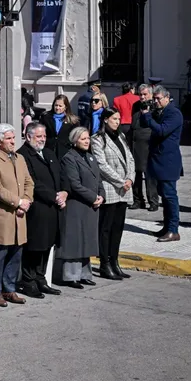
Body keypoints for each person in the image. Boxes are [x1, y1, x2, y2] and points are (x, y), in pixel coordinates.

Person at [0, 123, 33, 307]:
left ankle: (9, 288)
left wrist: (26, 201)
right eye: (9, 139)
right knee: (0, 254)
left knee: (16, 254)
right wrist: (18, 202)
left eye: (14, 138)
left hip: (20, 215)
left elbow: (29, 182)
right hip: (3, 215)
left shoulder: (19, 158)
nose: (13, 142)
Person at [17, 122, 65, 298]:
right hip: (37, 207)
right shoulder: (23, 155)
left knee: (47, 244)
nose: (42, 139)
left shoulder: (49, 153)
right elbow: (32, 182)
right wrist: (54, 196)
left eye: (44, 136)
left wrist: (64, 192)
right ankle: (28, 281)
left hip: (53, 208)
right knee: (35, 245)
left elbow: (61, 175)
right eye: (39, 136)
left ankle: (40, 277)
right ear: (28, 136)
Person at [92, 108, 135, 280]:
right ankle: (105, 263)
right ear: (105, 119)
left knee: (118, 228)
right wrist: (120, 181)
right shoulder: (98, 139)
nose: (117, 122)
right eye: (114, 119)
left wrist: (130, 178)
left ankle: (114, 261)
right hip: (110, 187)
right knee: (106, 228)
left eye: (118, 119)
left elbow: (130, 159)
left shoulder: (121, 136)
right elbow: (102, 165)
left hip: (124, 189)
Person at [59, 127, 104, 287]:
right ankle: (71, 276)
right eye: (83, 139)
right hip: (77, 205)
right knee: (75, 241)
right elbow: (74, 184)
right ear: (75, 140)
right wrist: (93, 197)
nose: (87, 141)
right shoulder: (69, 158)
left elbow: (98, 179)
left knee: (87, 240)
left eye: (88, 138)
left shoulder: (91, 157)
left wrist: (101, 195)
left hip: (91, 206)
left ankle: (85, 274)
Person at [140, 85, 184, 242]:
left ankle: (173, 230)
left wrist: (148, 116)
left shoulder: (174, 113)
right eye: (154, 98)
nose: (155, 101)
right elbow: (144, 124)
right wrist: (145, 113)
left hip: (168, 161)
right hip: (157, 159)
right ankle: (167, 227)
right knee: (163, 195)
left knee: (170, 195)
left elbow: (161, 130)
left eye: (158, 99)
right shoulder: (159, 111)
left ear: (167, 98)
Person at [130, 84, 159, 211]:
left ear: (151, 94)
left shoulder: (154, 106)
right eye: (140, 94)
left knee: (149, 175)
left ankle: (153, 201)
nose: (142, 97)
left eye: (145, 94)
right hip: (135, 143)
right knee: (135, 173)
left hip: (147, 144)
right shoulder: (136, 105)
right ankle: (137, 200)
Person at [41, 94, 79, 158]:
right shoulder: (46, 117)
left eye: (60, 106)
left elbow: (75, 137)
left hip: (65, 151)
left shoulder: (72, 120)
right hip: (49, 150)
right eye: (56, 105)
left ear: (65, 107)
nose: (57, 108)